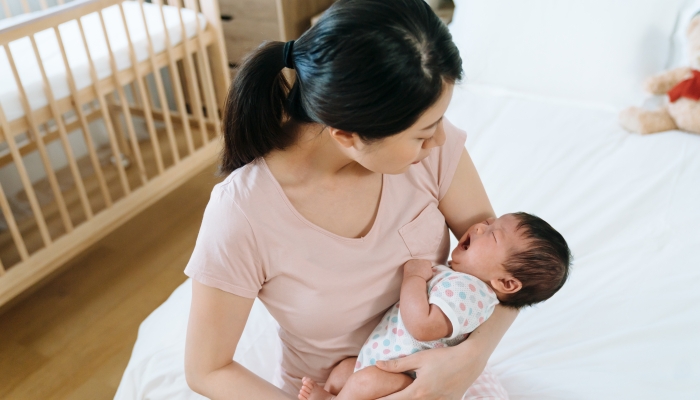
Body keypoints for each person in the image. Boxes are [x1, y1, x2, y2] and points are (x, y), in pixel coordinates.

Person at [184, 0, 519, 398]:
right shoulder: (242, 213)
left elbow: (507, 275)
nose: (441, 140)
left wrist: (468, 361)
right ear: (346, 135)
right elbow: (208, 369)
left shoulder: (431, 150)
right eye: (423, 133)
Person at [297, 213, 572, 400]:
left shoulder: (472, 292)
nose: (479, 227)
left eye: (492, 235)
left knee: (363, 382)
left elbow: (424, 326)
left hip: (409, 379)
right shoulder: (462, 281)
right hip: (383, 364)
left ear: (506, 284)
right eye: (489, 222)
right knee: (346, 371)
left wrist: (414, 277)